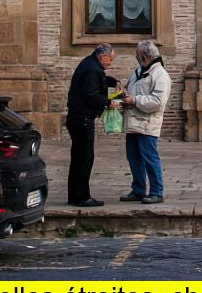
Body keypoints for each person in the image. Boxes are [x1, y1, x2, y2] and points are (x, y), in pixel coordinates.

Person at [120, 39, 172, 203]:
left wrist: (134, 100)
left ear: (146, 56)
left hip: (147, 124)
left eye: (138, 54)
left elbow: (157, 102)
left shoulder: (160, 75)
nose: (136, 57)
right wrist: (123, 94)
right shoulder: (138, 71)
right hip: (133, 123)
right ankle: (138, 190)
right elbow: (132, 89)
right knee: (134, 158)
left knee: (150, 158)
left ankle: (156, 192)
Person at [65, 42, 114, 206]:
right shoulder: (93, 69)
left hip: (77, 118)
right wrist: (108, 102)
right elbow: (91, 94)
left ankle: (75, 195)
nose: (111, 63)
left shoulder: (90, 64)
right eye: (110, 59)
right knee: (84, 158)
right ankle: (82, 197)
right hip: (82, 119)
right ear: (103, 57)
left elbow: (96, 82)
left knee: (78, 157)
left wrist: (111, 81)